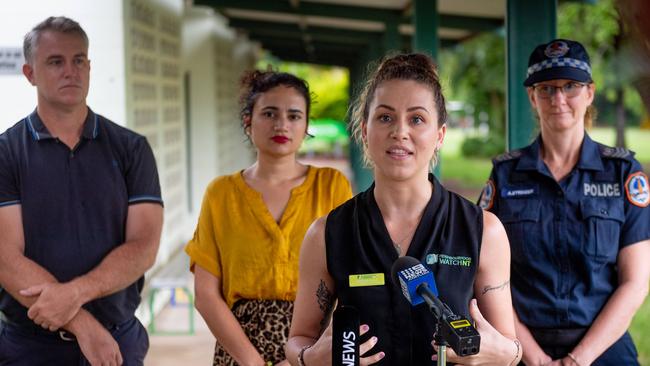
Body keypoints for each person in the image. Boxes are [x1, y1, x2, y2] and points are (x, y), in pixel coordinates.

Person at [286, 53, 522, 366]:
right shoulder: (326, 234)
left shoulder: (483, 231)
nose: (400, 131)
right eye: (385, 117)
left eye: (416, 119)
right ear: (364, 131)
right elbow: (298, 339)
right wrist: (308, 358)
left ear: (439, 135)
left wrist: (506, 354)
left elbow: (507, 345)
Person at [0, 16, 163, 366]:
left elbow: (144, 247)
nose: (70, 71)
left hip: (117, 341)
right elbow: (5, 257)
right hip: (30, 348)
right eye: (55, 62)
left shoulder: (131, 148)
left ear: (89, 67)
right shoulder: (5, 153)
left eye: (79, 61)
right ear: (29, 74)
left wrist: (75, 293)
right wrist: (83, 326)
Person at [478, 39, 650, 365]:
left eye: (570, 86)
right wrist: (535, 359)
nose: (558, 99)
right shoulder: (505, 175)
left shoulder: (622, 172)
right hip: (521, 342)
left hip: (602, 343)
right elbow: (485, 276)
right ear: (532, 97)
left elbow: (636, 282)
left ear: (590, 93)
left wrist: (577, 359)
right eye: (546, 88)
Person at [185, 70, 352, 366]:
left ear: (306, 126)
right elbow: (205, 294)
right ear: (248, 121)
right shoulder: (221, 194)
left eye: (294, 116)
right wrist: (253, 363)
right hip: (239, 350)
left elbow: (350, 280)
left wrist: (305, 357)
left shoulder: (331, 186)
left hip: (316, 350)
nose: (282, 124)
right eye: (270, 113)